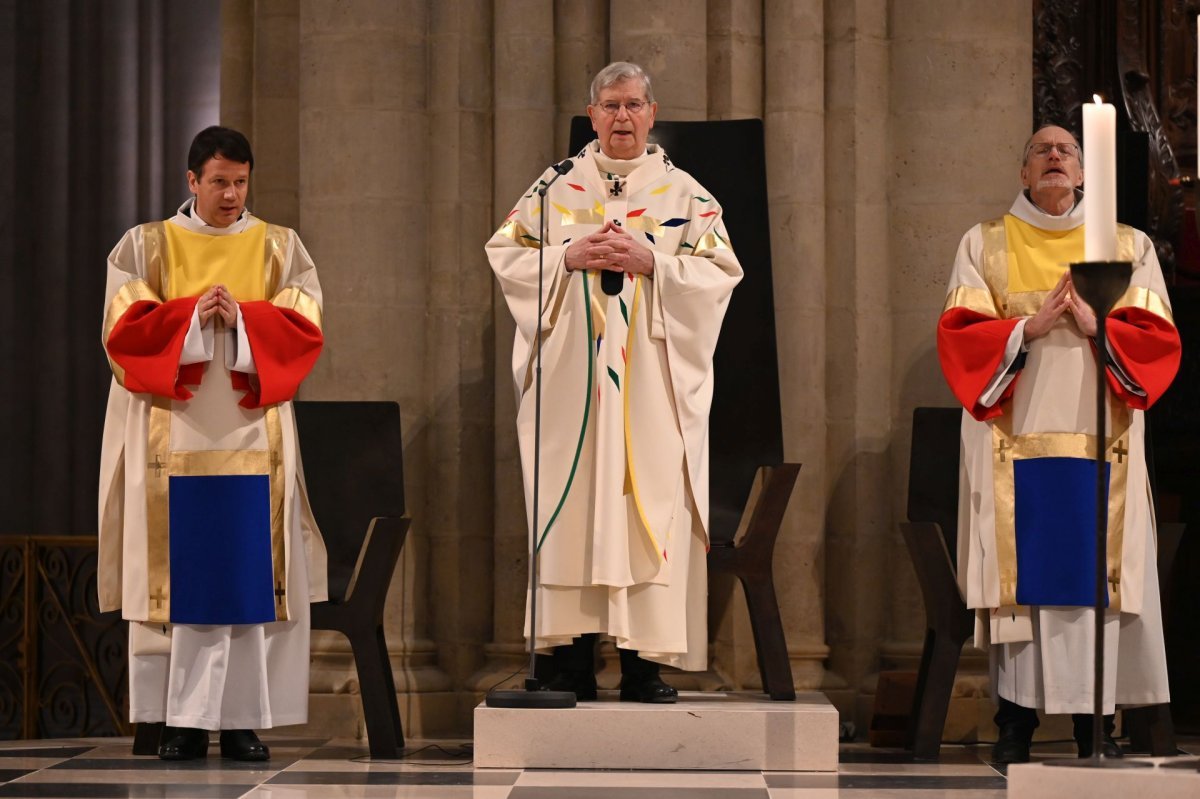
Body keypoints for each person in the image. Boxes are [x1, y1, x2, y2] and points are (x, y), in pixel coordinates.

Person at [486, 62, 742, 702]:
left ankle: (641, 664)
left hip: (652, 387)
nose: (621, 117)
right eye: (609, 106)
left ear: (652, 114)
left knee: (645, 508)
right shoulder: (552, 190)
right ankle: (570, 660)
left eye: (632, 105)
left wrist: (653, 262)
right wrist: (565, 256)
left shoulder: (688, 196)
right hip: (573, 386)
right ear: (592, 115)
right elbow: (506, 255)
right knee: (571, 505)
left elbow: (720, 276)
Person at [937, 124, 1180, 763]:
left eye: (1066, 150)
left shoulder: (1126, 246)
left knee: (1096, 582)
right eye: (1041, 151)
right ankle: (1013, 725)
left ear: (1082, 174)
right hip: (1013, 444)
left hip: (1105, 442)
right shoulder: (984, 243)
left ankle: (1092, 730)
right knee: (1022, 589)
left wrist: (1099, 326)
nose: (1054, 157)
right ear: (1023, 174)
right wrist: (1028, 327)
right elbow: (961, 337)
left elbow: (1156, 341)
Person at [98, 126, 327, 760]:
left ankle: (243, 719)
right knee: (180, 581)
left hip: (254, 436)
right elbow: (123, 332)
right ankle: (181, 721)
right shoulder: (145, 247)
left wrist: (246, 320)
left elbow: (305, 325)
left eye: (241, 182)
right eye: (219, 182)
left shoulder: (280, 247)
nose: (231, 195)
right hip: (169, 440)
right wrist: (192, 319)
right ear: (192, 181)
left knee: (247, 573)